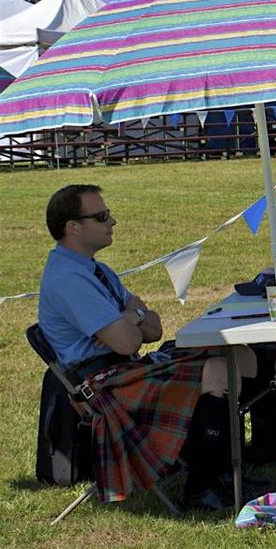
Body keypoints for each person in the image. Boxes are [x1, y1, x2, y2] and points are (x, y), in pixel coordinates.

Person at [38, 184, 256, 509]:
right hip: (102, 387)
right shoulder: (68, 279)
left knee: (239, 355)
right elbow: (127, 341)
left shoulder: (95, 270)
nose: (112, 222)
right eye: (102, 216)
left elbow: (153, 327)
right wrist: (131, 318)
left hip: (123, 368)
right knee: (219, 371)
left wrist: (131, 316)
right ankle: (202, 486)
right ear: (73, 227)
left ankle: (224, 471)